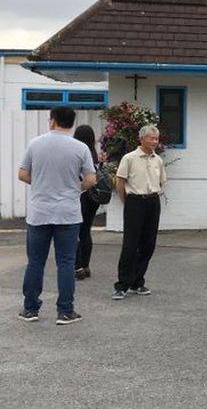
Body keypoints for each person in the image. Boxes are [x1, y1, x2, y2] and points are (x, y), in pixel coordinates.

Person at [17, 106, 97, 324]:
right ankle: (65, 311)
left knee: (35, 262)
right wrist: (74, 188)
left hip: (39, 213)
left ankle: (30, 309)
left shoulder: (35, 143)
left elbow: (22, 173)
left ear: (52, 121)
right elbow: (91, 180)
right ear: (71, 123)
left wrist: (42, 184)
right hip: (68, 213)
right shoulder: (80, 148)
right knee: (66, 262)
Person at [112, 125, 166, 300]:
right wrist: (126, 202)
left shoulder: (158, 160)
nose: (154, 142)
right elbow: (120, 182)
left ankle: (137, 281)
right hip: (134, 201)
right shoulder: (129, 158)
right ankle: (122, 284)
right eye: (151, 138)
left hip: (152, 201)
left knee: (148, 244)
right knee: (130, 244)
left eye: (156, 139)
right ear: (141, 139)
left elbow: (162, 181)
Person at [73, 125, 101, 281]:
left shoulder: (78, 153)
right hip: (93, 198)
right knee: (86, 231)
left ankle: (77, 267)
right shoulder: (94, 155)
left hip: (81, 195)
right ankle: (86, 265)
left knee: (75, 232)